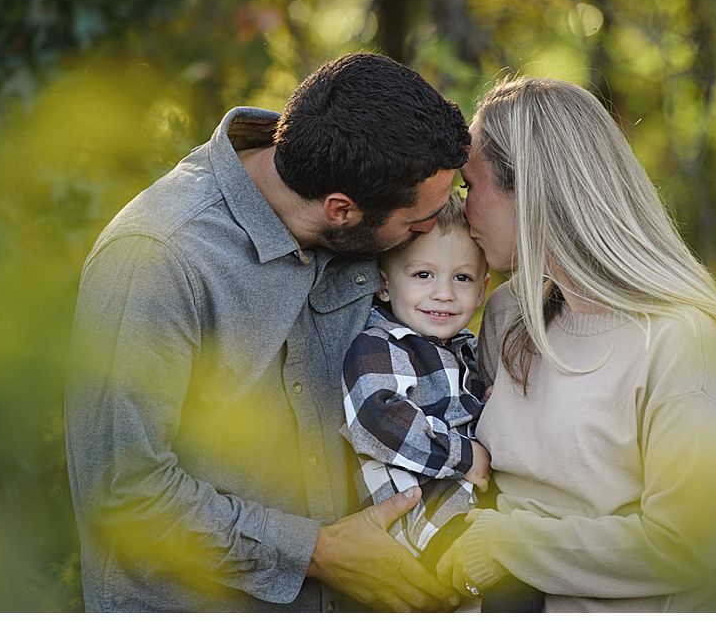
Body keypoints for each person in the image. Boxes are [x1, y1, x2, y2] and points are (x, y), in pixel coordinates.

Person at [63, 52, 471, 612]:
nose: (432, 228)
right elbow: (123, 492)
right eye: (418, 223)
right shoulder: (159, 258)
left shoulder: (353, 169)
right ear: (341, 211)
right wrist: (316, 551)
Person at [436, 77, 716, 613]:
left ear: (532, 189)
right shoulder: (511, 312)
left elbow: (687, 545)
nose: (461, 209)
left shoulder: (686, 341)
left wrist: (510, 544)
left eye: (470, 186)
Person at [340, 193, 491, 568]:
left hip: (472, 513)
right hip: (418, 529)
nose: (443, 293)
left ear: (482, 290)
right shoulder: (379, 345)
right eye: (423, 275)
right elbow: (377, 420)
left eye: (462, 277)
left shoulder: (468, 349)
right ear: (384, 285)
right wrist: (465, 457)